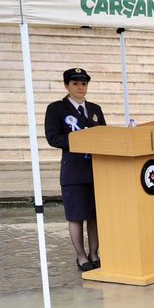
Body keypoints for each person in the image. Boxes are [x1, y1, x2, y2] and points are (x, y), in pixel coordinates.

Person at [44, 67, 107, 272]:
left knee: (95, 215)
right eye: (75, 84)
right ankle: (81, 256)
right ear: (66, 86)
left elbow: (105, 135)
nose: (80, 88)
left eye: (84, 84)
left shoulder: (95, 108)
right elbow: (53, 138)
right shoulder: (56, 109)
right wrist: (80, 139)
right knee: (76, 215)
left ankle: (94, 253)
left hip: (96, 169)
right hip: (74, 170)